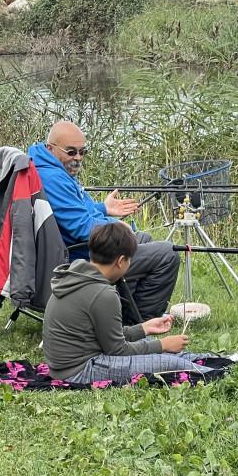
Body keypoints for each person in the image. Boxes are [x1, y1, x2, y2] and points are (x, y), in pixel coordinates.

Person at [29, 120, 179, 325]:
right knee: (167, 254)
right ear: (50, 148)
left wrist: (103, 209)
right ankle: (140, 325)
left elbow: (76, 212)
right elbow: (82, 228)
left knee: (143, 238)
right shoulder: (53, 178)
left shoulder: (49, 166)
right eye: (71, 152)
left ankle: (122, 314)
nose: (78, 158)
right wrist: (116, 227)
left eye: (83, 152)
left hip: (77, 248)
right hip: (78, 259)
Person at [43, 223, 214, 385]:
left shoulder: (76, 276)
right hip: (78, 371)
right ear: (121, 261)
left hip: (65, 366)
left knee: (161, 349)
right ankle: (220, 372)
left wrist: (144, 328)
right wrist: (163, 345)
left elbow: (107, 335)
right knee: (169, 363)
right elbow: (118, 351)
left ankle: (216, 359)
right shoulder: (103, 294)